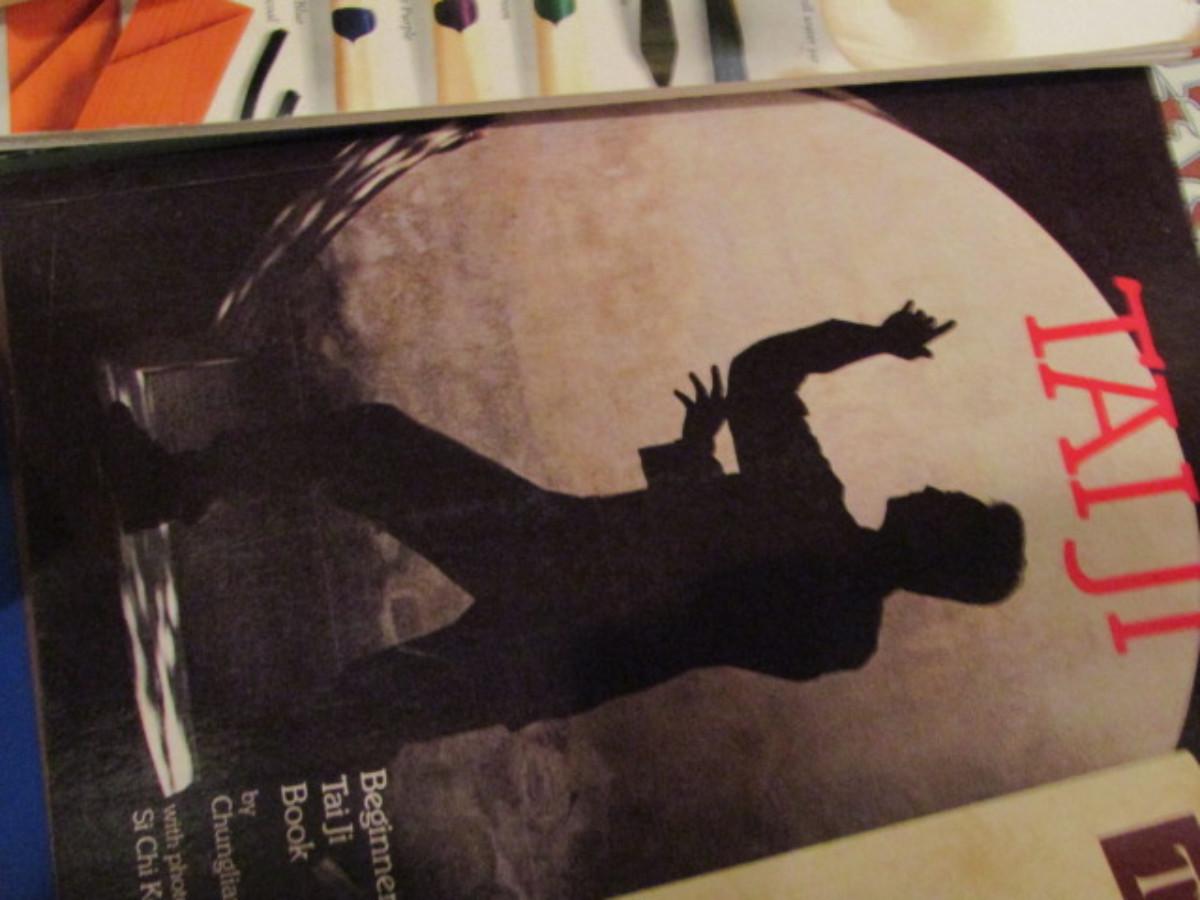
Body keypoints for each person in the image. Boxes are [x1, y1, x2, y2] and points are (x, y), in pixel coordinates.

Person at [102, 302, 1024, 747]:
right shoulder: (841, 630)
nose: (936, 489)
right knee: (365, 704)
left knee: (371, 467)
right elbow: (713, 593)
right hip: (570, 641)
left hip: (554, 567)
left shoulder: (814, 521)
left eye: (956, 509)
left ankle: (172, 489)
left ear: (942, 550)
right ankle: (170, 507)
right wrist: (697, 463)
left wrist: (874, 340)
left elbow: (761, 375)